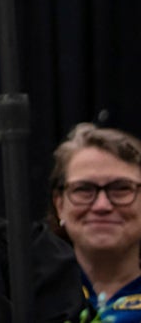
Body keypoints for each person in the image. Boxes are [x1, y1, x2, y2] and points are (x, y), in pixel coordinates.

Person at [49, 122, 141, 320]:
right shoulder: (29, 297)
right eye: (83, 189)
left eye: (122, 188)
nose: (102, 205)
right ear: (59, 205)